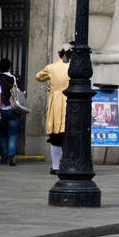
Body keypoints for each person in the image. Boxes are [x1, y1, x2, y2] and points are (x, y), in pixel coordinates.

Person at [37, 47, 70, 175]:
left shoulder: (51, 67)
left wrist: (53, 85)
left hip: (56, 101)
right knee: (69, 134)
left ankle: (55, 165)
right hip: (71, 102)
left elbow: (39, 76)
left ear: (59, 54)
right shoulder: (74, 67)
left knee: (55, 135)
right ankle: (67, 163)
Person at [0, 57, 23, 167]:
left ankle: (4, 157)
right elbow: (23, 91)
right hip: (15, 109)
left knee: (2, 134)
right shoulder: (16, 78)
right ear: (10, 67)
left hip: (3, 109)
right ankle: (12, 155)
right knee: (13, 134)